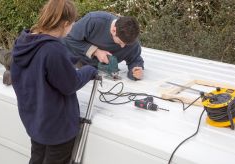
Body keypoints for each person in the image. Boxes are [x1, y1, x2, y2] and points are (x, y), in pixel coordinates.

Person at [10, 0, 97, 164]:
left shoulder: (25, 42)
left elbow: (41, 67)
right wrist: (89, 70)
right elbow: (70, 84)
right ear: (65, 24)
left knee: (36, 159)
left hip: (36, 122)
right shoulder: (53, 50)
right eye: (72, 24)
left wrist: (69, 60)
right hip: (57, 128)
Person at [63, 11, 144, 80]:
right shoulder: (94, 20)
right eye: (120, 42)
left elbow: (135, 59)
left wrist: (135, 71)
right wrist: (95, 51)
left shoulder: (131, 40)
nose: (122, 47)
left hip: (99, 74)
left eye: (125, 44)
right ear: (114, 30)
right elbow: (69, 38)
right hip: (73, 63)